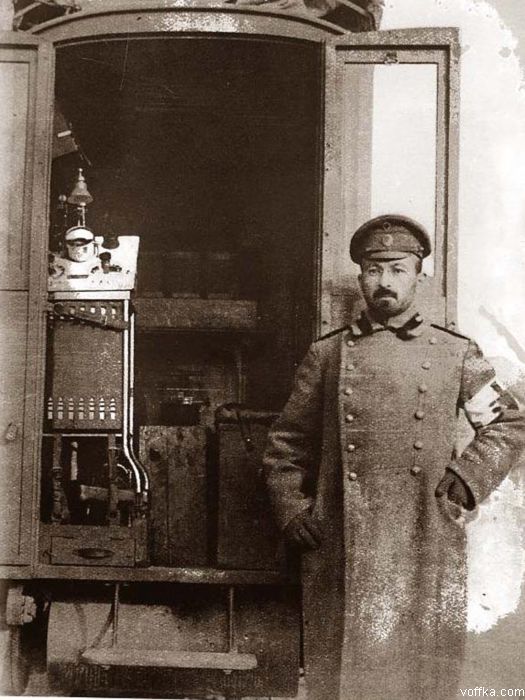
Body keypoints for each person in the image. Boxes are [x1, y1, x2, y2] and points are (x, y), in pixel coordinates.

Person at [263, 214, 525, 700]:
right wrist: (293, 510)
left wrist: (467, 478)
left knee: (419, 674)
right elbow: (285, 443)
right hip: (340, 537)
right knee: (342, 677)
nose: (384, 281)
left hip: (424, 533)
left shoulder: (454, 353)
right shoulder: (328, 355)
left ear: (418, 277)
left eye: (397, 269)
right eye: (373, 270)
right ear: (361, 277)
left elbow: (508, 422)